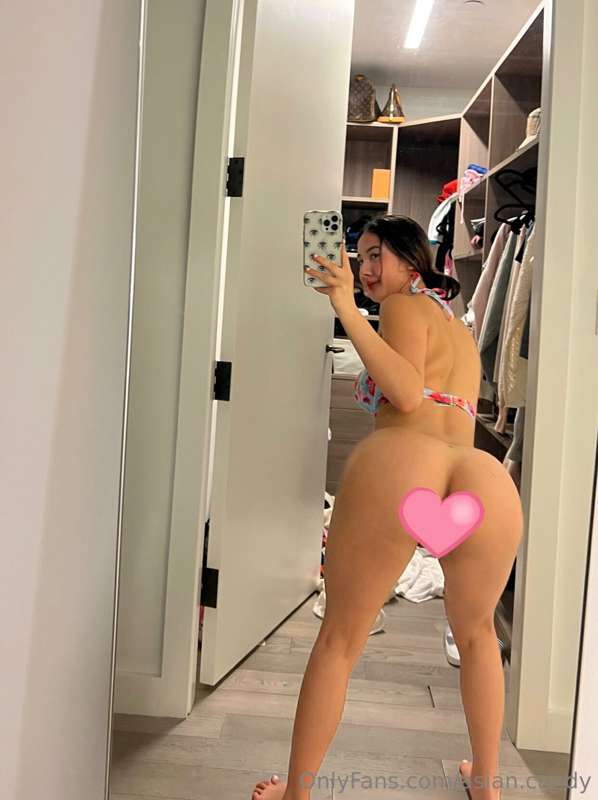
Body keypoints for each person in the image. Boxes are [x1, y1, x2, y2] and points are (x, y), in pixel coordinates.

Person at [251, 215, 524, 800]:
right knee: (478, 635)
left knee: (340, 639)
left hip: (406, 460)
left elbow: (403, 392)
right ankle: (486, 782)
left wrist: (346, 306)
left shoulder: (402, 305)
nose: (366, 267)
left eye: (378, 255)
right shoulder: (457, 325)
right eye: (361, 255)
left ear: (412, 259)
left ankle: (297, 795)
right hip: (480, 475)